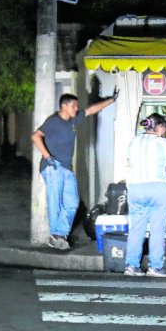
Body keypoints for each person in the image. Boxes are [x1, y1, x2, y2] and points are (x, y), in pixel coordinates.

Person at [31, 91, 117, 250]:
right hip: (53, 166)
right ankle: (56, 235)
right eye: (73, 106)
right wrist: (48, 157)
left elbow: (91, 110)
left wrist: (111, 100)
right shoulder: (53, 121)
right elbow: (36, 136)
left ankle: (60, 233)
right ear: (64, 106)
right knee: (55, 200)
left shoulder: (72, 120)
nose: (76, 108)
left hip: (67, 168)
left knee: (72, 202)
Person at [124, 113, 166, 277]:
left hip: (135, 188)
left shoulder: (133, 141)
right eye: (164, 126)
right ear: (159, 126)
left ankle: (132, 266)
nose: (165, 130)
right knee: (157, 229)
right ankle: (155, 267)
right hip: (158, 188)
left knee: (136, 228)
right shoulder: (163, 142)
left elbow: (129, 164)